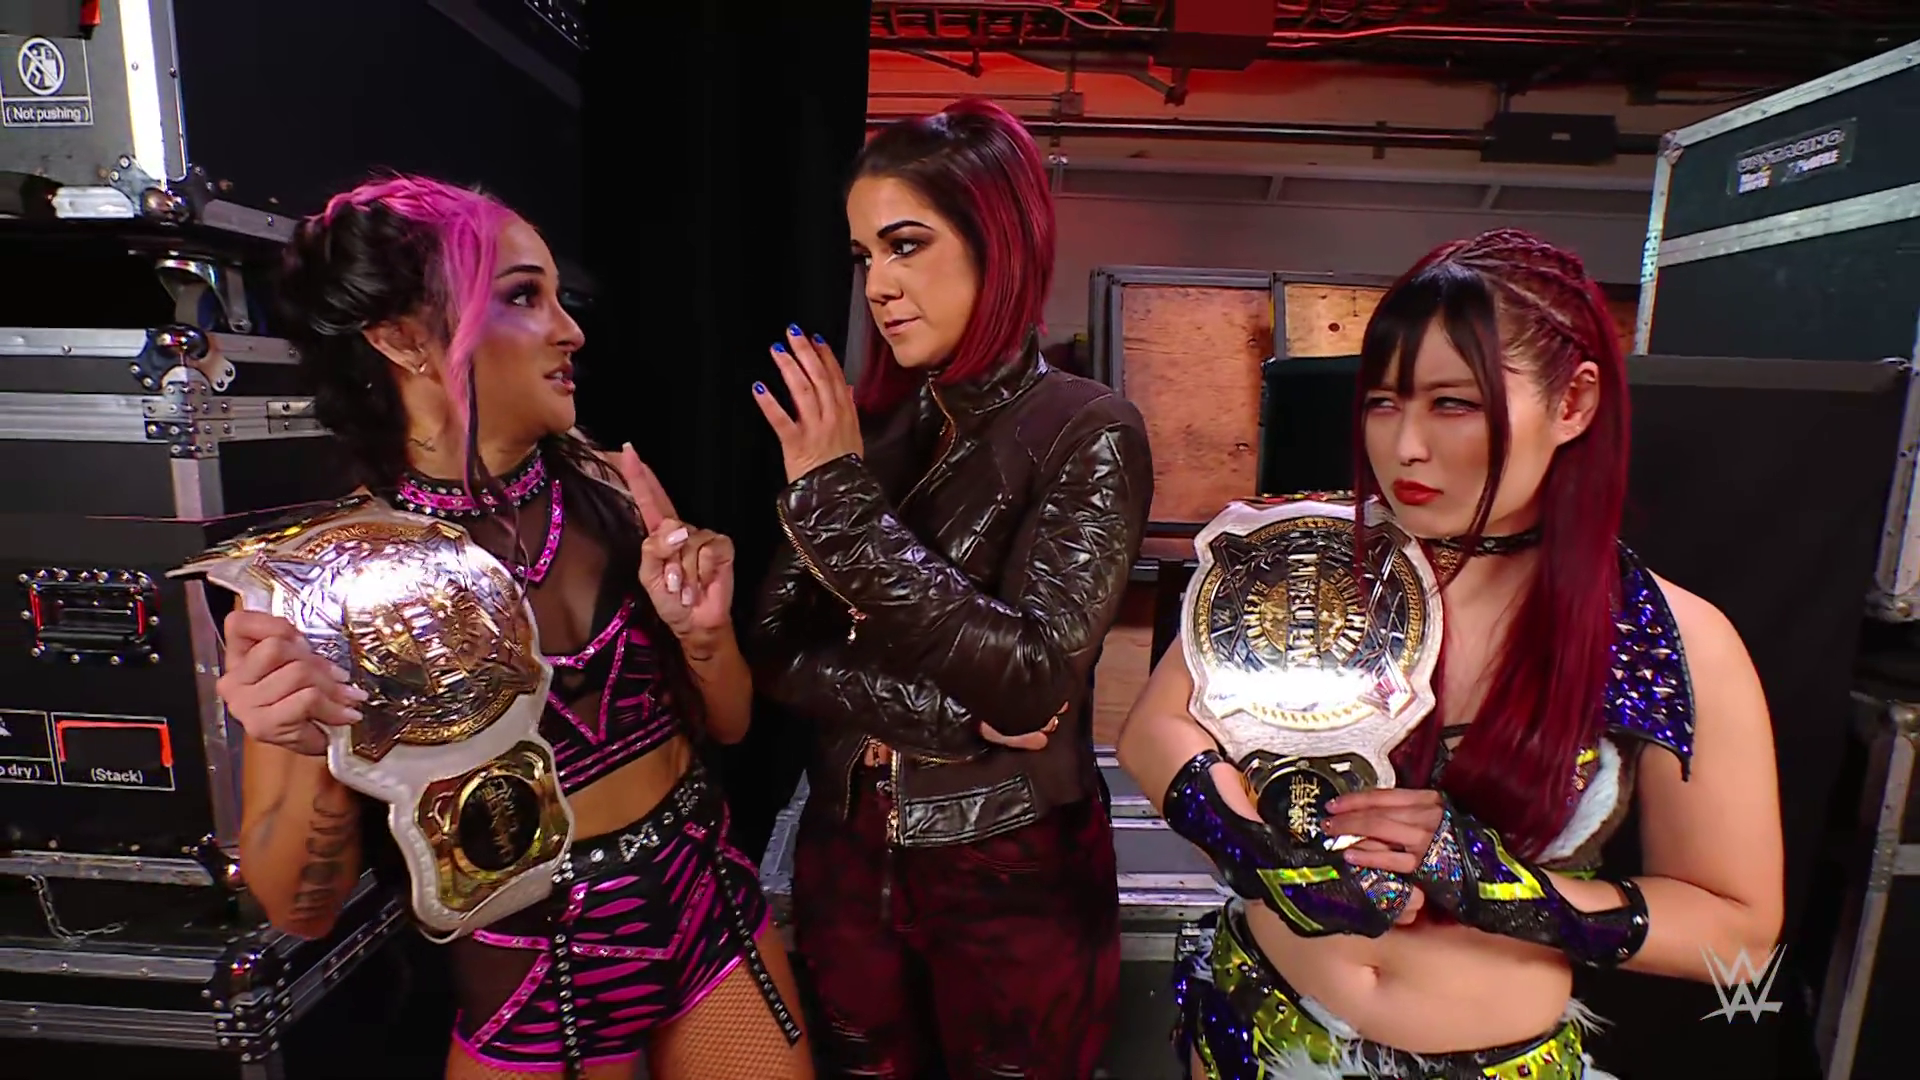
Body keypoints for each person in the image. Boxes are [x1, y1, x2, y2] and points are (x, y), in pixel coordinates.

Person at [1117, 228, 1784, 1079]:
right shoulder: (1307, 556)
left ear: (1575, 404)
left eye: (1453, 405)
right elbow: (1156, 727)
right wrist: (1262, 849)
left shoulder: (1670, 635)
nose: (1405, 447)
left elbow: (1739, 938)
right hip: (1251, 1028)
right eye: (1383, 402)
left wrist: (1499, 887)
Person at [212, 175, 812, 1080]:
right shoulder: (326, 584)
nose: (571, 331)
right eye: (524, 297)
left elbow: (728, 725)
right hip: (541, 976)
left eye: (558, 298)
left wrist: (703, 636)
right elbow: (301, 909)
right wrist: (323, 749)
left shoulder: (611, 492)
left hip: (711, 913)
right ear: (401, 338)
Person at [747, 99, 1154, 1079]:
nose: (878, 286)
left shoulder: (1086, 427)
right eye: (864, 257)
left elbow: (1030, 678)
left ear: (997, 240)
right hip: (848, 854)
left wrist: (840, 506)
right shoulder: (872, 432)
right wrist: (951, 716)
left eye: (905, 246)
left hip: (1011, 866)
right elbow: (774, 647)